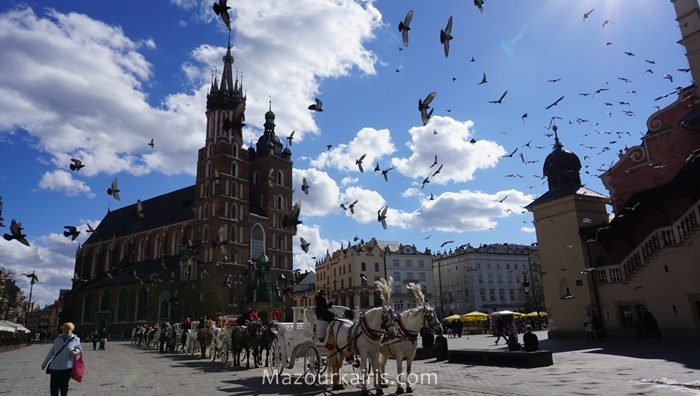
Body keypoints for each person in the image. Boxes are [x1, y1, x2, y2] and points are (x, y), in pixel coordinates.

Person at [41, 322, 82, 396]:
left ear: (71, 330)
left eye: (67, 329)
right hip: (54, 367)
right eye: (64, 329)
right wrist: (44, 364)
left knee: (64, 387)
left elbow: (79, 349)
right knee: (53, 387)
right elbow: (51, 352)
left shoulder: (75, 339)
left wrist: (75, 351)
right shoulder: (57, 339)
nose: (65, 331)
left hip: (66, 367)